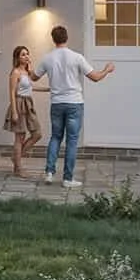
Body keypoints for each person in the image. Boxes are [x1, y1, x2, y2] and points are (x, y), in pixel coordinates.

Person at [35, 25, 114, 188]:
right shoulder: (76, 57)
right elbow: (95, 78)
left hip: (56, 103)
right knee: (72, 141)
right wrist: (107, 69)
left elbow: (34, 77)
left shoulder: (47, 58)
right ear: (67, 38)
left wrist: (25, 66)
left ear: (53, 39)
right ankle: (67, 179)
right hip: (74, 103)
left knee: (55, 137)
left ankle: (49, 173)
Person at [2, 45, 41, 178]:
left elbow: (30, 88)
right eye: (23, 54)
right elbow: (12, 92)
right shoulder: (15, 72)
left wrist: (48, 89)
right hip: (19, 104)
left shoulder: (27, 72)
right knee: (20, 137)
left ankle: (16, 158)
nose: (26, 57)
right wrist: (14, 111)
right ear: (17, 58)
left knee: (37, 134)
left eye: (27, 54)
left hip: (28, 104)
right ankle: (18, 168)